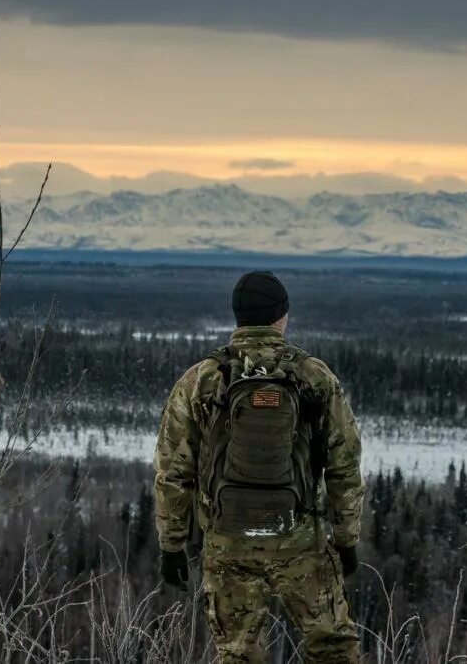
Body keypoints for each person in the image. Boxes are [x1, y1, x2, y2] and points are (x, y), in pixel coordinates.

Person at [154, 270, 365, 663]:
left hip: (227, 539)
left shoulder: (200, 380)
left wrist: (172, 545)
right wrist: (347, 537)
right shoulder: (312, 376)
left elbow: (173, 472)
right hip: (301, 538)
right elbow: (344, 464)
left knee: (238, 653)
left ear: (238, 317)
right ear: (281, 316)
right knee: (332, 646)